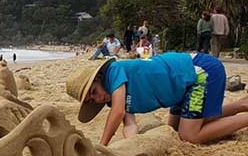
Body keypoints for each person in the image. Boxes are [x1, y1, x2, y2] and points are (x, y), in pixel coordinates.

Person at [66, 52, 248, 146]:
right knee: (174, 129)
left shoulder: (114, 72)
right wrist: (132, 144)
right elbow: (129, 124)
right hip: (181, 89)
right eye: (92, 100)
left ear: (98, 79)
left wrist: (102, 146)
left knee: (189, 135)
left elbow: (118, 112)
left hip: (199, 72)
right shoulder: (114, 98)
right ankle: (242, 105)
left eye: (93, 91)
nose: (97, 98)